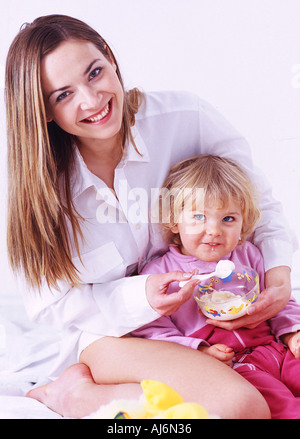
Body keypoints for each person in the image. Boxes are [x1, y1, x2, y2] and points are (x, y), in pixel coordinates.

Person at [5, 14, 292, 418]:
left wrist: (279, 277)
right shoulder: (42, 189)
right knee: (241, 408)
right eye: (63, 95)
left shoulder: (186, 117)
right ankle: (77, 395)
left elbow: (261, 208)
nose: (91, 101)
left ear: (110, 57)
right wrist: (141, 296)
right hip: (115, 336)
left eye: (95, 73)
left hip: (207, 324)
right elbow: (51, 305)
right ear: (44, 110)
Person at [132, 154, 300, 419]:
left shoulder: (248, 255)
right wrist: (199, 350)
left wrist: (293, 332)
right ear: (175, 221)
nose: (214, 230)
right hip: (237, 365)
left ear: (244, 221)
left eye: (228, 219)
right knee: (282, 406)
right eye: (199, 217)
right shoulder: (161, 274)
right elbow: (152, 332)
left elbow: (280, 299)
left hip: (277, 347)